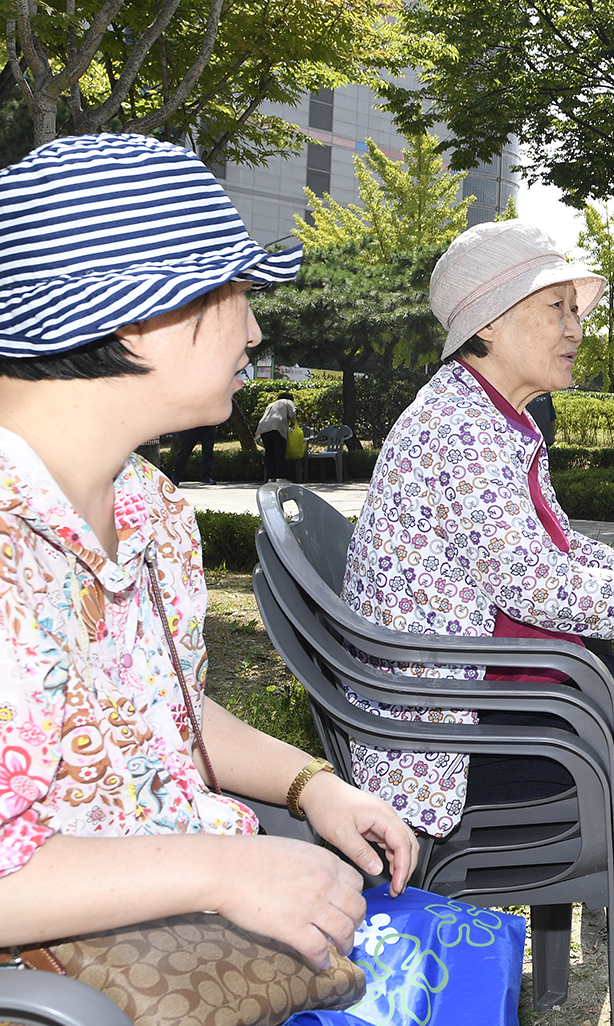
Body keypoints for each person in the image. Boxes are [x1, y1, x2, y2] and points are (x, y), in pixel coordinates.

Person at [0, 134, 417, 972]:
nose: (256, 328)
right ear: (141, 310)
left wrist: (314, 787)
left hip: (181, 950)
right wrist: (224, 870)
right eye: (235, 291)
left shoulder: (146, 506)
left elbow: (164, 713)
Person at [341, 220, 614, 1026]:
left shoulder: (492, 418)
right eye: (556, 306)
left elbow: (564, 550)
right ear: (489, 323)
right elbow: (542, 587)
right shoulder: (462, 432)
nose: (577, 326)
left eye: (578, 307)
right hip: (462, 738)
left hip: (497, 697)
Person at [256, 390, 298, 481]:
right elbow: (292, 415)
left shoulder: (271, 404)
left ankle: (271, 477)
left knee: (269, 453)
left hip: (263, 427)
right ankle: (280, 477)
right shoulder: (288, 402)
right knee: (280, 453)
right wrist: (294, 422)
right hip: (277, 427)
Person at [170, 417, 223, 484]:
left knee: (208, 451)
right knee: (185, 451)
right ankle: (176, 476)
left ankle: (206, 477)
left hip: (209, 424)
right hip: (193, 424)